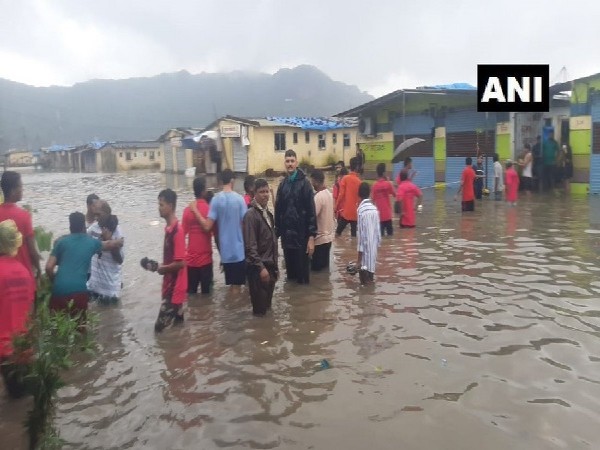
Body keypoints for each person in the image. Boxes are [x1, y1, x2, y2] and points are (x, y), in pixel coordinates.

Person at [45, 212, 123, 319]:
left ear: (70, 226)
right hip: (79, 292)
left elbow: (48, 267)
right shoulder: (90, 242)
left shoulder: (61, 242)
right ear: (83, 227)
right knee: (80, 330)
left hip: (59, 291)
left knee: (57, 327)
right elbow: (111, 244)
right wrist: (119, 241)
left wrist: (55, 281)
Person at [191, 169, 247, 288]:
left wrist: (195, 210)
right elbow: (246, 226)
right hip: (239, 252)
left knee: (232, 286)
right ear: (233, 181)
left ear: (221, 181)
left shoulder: (215, 200)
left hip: (225, 254)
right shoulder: (239, 199)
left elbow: (207, 227)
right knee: (237, 288)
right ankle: (235, 307)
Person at [0, 219, 35, 398]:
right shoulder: (24, 272)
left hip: (3, 347)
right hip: (23, 346)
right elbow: (31, 309)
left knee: (11, 402)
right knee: (22, 400)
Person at [274, 149, 317, 284]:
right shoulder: (282, 185)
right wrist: (276, 235)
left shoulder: (305, 184)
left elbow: (311, 211)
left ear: (296, 162)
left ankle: (304, 304)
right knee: (290, 277)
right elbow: (278, 211)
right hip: (287, 239)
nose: (290, 164)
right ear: (284, 163)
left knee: (302, 278)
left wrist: (311, 237)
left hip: (301, 238)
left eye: (292, 161)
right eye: (287, 161)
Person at [152, 189, 188, 332]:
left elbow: (181, 263)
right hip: (171, 284)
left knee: (159, 330)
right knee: (178, 327)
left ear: (171, 206)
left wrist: (163, 269)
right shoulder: (168, 228)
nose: (159, 208)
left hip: (175, 287)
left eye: (161, 205)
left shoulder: (177, 231)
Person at [242, 179, 278, 316]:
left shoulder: (268, 214)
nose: (265, 195)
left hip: (270, 267)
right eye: (261, 192)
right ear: (254, 194)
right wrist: (261, 268)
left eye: (267, 191)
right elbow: (250, 246)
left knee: (268, 308)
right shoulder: (251, 215)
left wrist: (275, 268)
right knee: (259, 312)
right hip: (258, 270)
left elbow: (272, 241)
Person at [0, 171, 41, 280]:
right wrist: (39, 270)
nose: (22, 189)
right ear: (13, 190)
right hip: (23, 275)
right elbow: (32, 250)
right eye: (21, 186)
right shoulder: (24, 216)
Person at [87, 200, 124, 304]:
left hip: (109, 290)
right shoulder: (92, 229)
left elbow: (120, 260)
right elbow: (83, 242)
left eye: (98, 215)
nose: (96, 218)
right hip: (93, 287)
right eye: (95, 215)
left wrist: (110, 241)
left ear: (107, 213)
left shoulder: (117, 232)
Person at [182, 177, 213, 295]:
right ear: (204, 191)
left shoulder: (187, 210)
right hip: (206, 261)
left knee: (191, 295)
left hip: (190, 262)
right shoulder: (210, 210)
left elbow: (181, 236)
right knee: (207, 297)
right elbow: (216, 236)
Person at [309, 169, 334, 271]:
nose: (312, 185)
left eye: (312, 182)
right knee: (325, 270)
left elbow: (312, 217)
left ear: (315, 181)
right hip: (328, 239)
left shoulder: (318, 197)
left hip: (319, 240)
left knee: (316, 272)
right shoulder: (329, 194)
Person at [356, 182, 380, 285]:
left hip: (364, 257)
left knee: (364, 285)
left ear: (359, 194)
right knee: (370, 282)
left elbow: (361, 237)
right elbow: (378, 235)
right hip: (373, 254)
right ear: (369, 193)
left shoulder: (361, 210)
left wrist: (358, 260)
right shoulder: (375, 209)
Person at [335, 157, 361, 237]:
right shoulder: (359, 182)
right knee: (354, 237)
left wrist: (335, 207)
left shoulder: (345, 179)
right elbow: (360, 199)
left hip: (345, 213)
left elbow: (341, 195)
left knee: (337, 234)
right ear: (357, 167)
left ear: (350, 166)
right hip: (355, 214)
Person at [371, 163, 395, 236]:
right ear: (384, 173)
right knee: (390, 237)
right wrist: (388, 181)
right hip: (388, 216)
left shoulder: (374, 186)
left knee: (381, 238)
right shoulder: (388, 184)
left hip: (379, 217)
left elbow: (373, 201)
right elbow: (394, 194)